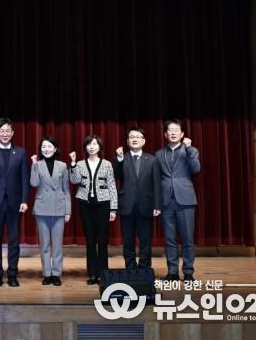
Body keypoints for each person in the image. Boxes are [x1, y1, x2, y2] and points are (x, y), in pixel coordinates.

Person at [0, 117, 29, 287]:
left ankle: (13, 275)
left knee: (14, 240)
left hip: (14, 203)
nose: (5, 134)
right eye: (2, 131)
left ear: (13, 133)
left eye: (8, 131)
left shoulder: (21, 152)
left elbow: (24, 179)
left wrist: (24, 200)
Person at [155, 119, 201, 282]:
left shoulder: (191, 150)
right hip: (166, 201)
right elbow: (156, 179)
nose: (173, 132)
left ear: (182, 134)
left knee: (187, 238)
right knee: (169, 239)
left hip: (185, 200)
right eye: (170, 130)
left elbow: (196, 168)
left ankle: (188, 272)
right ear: (165, 134)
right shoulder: (159, 154)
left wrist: (188, 149)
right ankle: (172, 272)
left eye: (176, 130)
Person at [70, 134, 117, 285]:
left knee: (102, 241)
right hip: (85, 204)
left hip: (103, 204)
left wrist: (113, 209)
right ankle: (92, 274)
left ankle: (103, 274)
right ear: (85, 147)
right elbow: (74, 180)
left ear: (100, 147)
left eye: (95, 144)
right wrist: (72, 164)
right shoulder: (80, 164)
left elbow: (112, 185)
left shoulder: (107, 164)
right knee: (90, 240)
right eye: (89, 144)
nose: (92, 147)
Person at [113, 127, 161, 270]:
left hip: (146, 205)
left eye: (138, 136)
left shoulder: (152, 160)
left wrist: (157, 205)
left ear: (143, 141)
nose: (134, 139)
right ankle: (130, 269)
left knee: (145, 240)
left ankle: (144, 269)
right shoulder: (122, 158)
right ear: (128, 141)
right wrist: (119, 159)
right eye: (131, 137)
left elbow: (157, 184)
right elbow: (115, 176)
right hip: (127, 205)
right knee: (128, 240)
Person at [30, 136, 71, 286]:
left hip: (59, 208)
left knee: (57, 244)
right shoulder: (38, 164)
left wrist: (68, 210)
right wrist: (34, 165)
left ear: (55, 148)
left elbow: (66, 189)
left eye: (49, 146)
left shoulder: (63, 165)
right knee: (45, 244)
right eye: (43, 147)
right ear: (40, 149)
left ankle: (56, 274)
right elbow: (34, 183)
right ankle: (47, 274)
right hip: (42, 208)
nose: (46, 149)